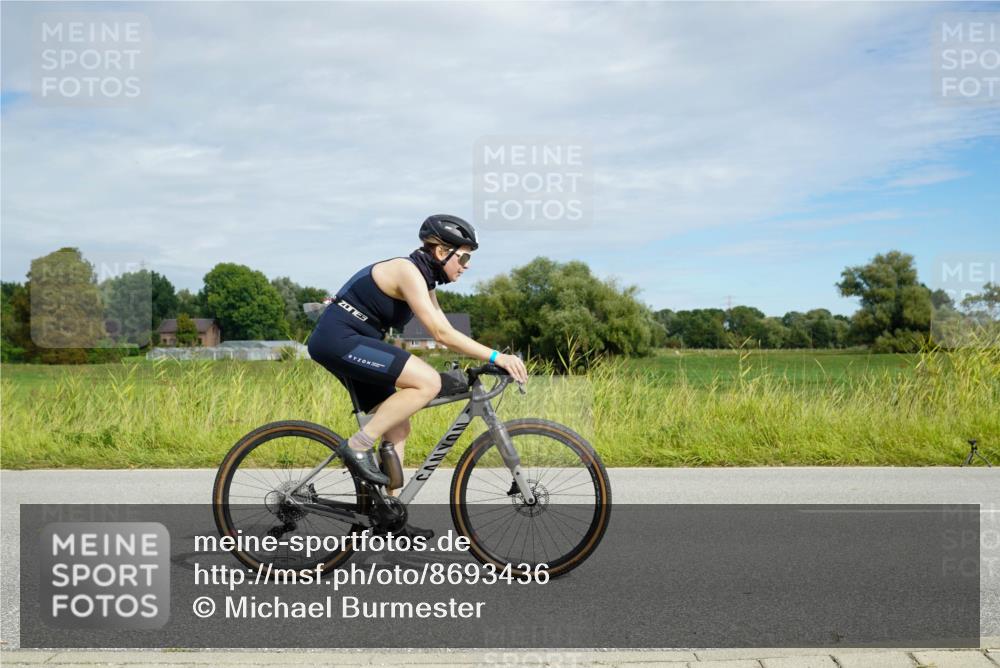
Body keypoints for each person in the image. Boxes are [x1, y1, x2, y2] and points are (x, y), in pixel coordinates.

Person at [306, 214, 529, 537]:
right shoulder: (407, 271)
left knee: (398, 425)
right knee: (428, 382)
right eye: (464, 257)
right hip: (338, 340)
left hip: (356, 342)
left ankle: (387, 517)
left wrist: (490, 357)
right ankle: (356, 447)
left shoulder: (425, 280)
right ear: (442, 252)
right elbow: (439, 333)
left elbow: (447, 329)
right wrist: (497, 356)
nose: (466, 265)